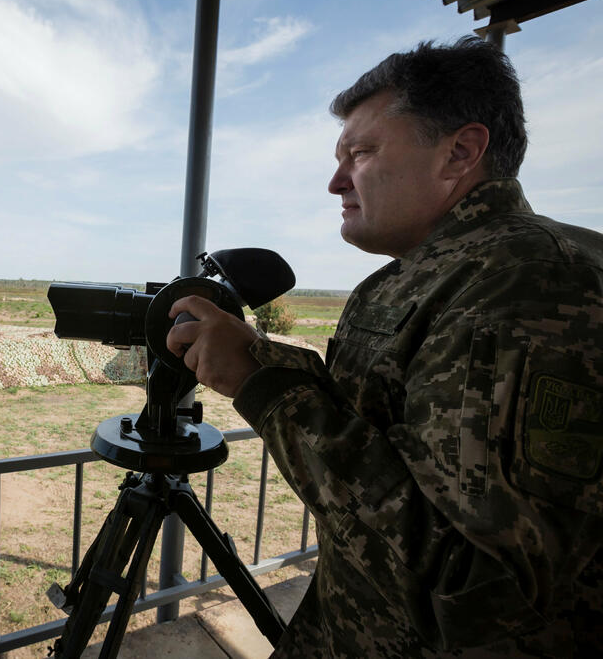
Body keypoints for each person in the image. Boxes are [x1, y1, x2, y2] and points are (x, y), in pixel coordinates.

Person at [167, 37, 603, 657]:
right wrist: (263, 363)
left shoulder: (528, 285)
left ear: (460, 153)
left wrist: (263, 385)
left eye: (361, 153)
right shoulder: (434, 275)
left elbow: (478, 596)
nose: (335, 182)